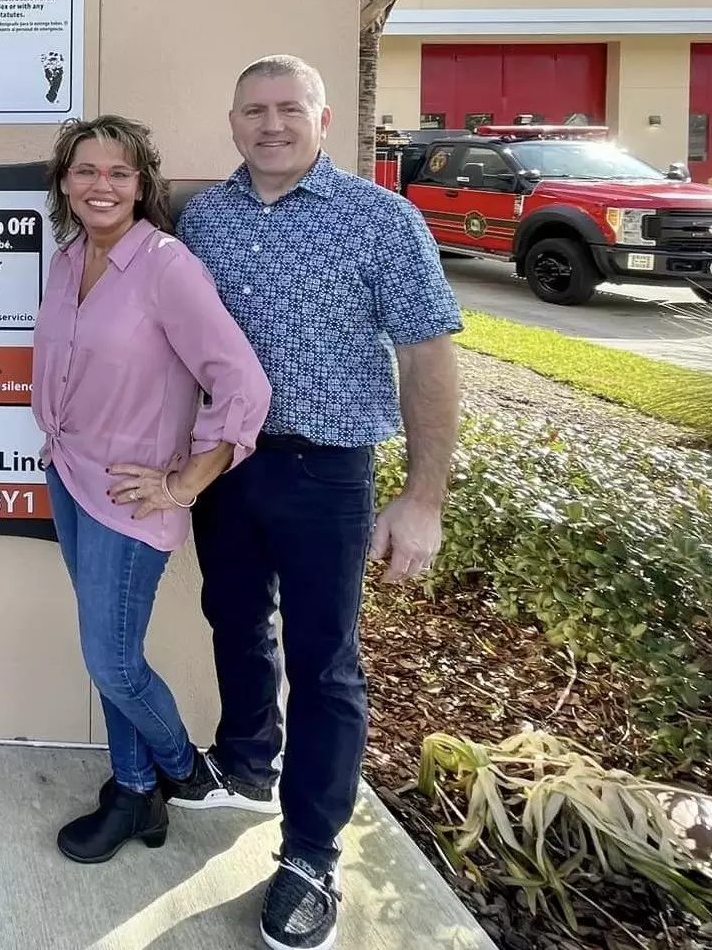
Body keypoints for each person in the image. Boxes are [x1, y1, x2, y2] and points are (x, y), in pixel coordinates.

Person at [176, 55, 461, 950]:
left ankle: (309, 854)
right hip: (224, 466)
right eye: (253, 109)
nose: (271, 124)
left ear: (324, 119)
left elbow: (427, 356)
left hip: (328, 471)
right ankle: (247, 761)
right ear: (231, 122)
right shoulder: (203, 217)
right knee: (231, 620)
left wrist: (424, 496)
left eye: (288, 108)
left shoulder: (382, 219)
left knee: (327, 660)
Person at [32, 116, 271, 866]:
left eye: (118, 173)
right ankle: (135, 792)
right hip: (70, 475)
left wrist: (185, 480)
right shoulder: (70, 259)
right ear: (64, 183)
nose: (100, 185)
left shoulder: (167, 265)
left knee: (111, 660)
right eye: (85, 170)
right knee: (112, 645)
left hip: (134, 496)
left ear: (142, 186)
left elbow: (242, 382)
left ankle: (179, 764)